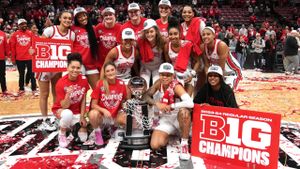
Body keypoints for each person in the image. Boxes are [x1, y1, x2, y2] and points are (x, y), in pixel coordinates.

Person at [143, 63, 194, 160]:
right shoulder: (158, 83)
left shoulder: (176, 86)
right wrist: (156, 103)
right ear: (159, 74)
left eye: (168, 75)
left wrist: (172, 105)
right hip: (166, 119)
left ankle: (184, 144)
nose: (165, 77)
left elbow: (190, 103)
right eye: (162, 74)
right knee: (155, 145)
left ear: (173, 76)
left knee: (184, 112)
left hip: (179, 119)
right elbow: (145, 96)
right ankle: (172, 134)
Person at [36, 11, 75, 131]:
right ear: (60, 18)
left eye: (69, 18)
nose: (67, 20)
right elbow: (40, 46)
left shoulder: (71, 35)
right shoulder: (50, 31)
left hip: (58, 68)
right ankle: (44, 120)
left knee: (57, 94)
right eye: (65, 18)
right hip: (45, 67)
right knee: (44, 94)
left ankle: (57, 117)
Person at [52, 53, 90, 148]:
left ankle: (72, 127)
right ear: (67, 67)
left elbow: (83, 99)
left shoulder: (84, 80)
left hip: (77, 112)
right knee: (68, 114)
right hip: (62, 110)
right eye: (72, 67)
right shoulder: (61, 83)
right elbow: (64, 106)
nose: (75, 70)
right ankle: (62, 133)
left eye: (78, 68)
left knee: (83, 138)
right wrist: (68, 94)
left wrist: (82, 116)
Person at [88, 62, 128, 145]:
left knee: (128, 117)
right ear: (105, 73)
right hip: (103, 116)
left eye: (112, 70)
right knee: (92, 114)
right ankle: (98, 132)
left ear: (116, 71)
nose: (110, 72)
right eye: (108, 71)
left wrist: (125, 110)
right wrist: (104, 110)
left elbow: (124, 102)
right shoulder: (100, 84)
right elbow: (93, 105)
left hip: (115, 116)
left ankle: (114, 128)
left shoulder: (122, 84)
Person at [164, 17, 201, 96]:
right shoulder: (167, 46)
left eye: (175, 34)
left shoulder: (187, 44)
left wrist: (192, 74)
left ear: (180, 34)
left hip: (189, 75)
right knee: (176, 99)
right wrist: (171, 74)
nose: (173, 36)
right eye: (170, 34)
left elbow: (198, 61)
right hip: (174, 75)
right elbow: (168, 63)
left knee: (187, 100)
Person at [72, 7, 99, 89]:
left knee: (97, 90)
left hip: (91, 64)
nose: (83, 18)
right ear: (76, 19)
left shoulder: (93, 29)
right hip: (79, 65)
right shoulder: (72, 29)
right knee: (79, 91)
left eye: (84, 15)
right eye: (79, 17)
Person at [10, 19, 37, 95]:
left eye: (25, 23)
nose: (24, 25)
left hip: (29, 57)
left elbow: (34, 44)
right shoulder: (15, 35)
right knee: (21, 74)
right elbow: (12, 47)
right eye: (22, 24)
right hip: (19, 58)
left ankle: (34, 88)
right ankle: (21, 88)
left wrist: (34, 54)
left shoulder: (30, 33)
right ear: (19, 26)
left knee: (32, 74)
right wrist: (13, 59)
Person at [138, 19, 165, 88]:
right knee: (143, 87)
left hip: (157, 67)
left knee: (158, 89)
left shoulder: (162, 42)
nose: (149, 34)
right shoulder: (140, 42)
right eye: (147, 32)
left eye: (151, 31)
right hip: (145, 67)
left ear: (156, 31)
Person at [95, 7, 121, 71]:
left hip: (115, 61)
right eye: (106, 15)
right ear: (103, 17)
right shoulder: (98, 27)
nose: (108, 17)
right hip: (101, 62)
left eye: (110, 14)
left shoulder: (120, 27)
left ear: (114, 16)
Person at [0, 30, 9, 96]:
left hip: (1, 57)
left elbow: (6, 45)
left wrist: (7, 54)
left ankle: (4, 89)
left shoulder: (3, 33)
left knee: (2, 74)